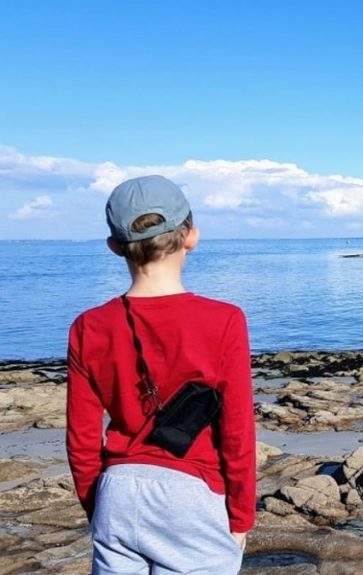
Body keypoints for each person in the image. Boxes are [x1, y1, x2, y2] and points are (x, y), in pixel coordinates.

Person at [66, 175, 256, 574]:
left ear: (115, 247)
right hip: (192, 495)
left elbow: (81, 439)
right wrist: (241, 516)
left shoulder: (89, 326)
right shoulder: (224, 321)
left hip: (117, 490)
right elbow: (237, 431)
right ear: (191, 237)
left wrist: (95, 505)